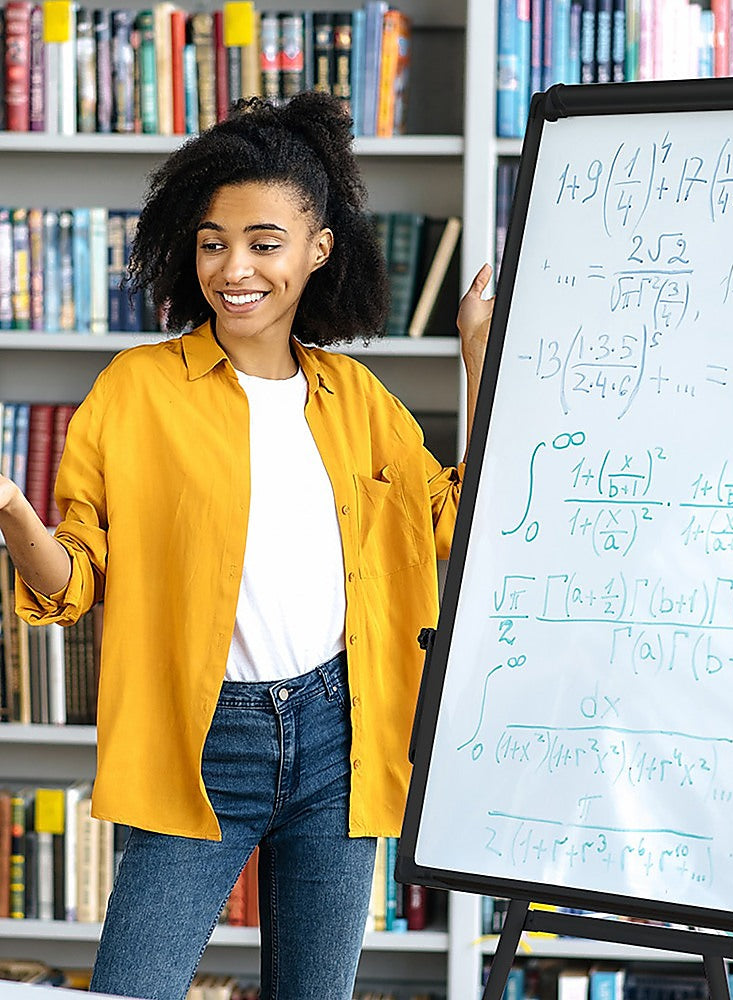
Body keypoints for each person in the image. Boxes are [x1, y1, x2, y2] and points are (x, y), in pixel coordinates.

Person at [0, 91, 493, 1000]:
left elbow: (460, 529)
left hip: (340, 736)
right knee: (131, 990)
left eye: (266, 243)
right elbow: (72, 584)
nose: (236, 269)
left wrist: (477, 362)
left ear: (319, 251)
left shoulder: (361, 402)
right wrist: (10, 511)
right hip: (202, 741)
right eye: (214, 241)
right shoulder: (137, 391)